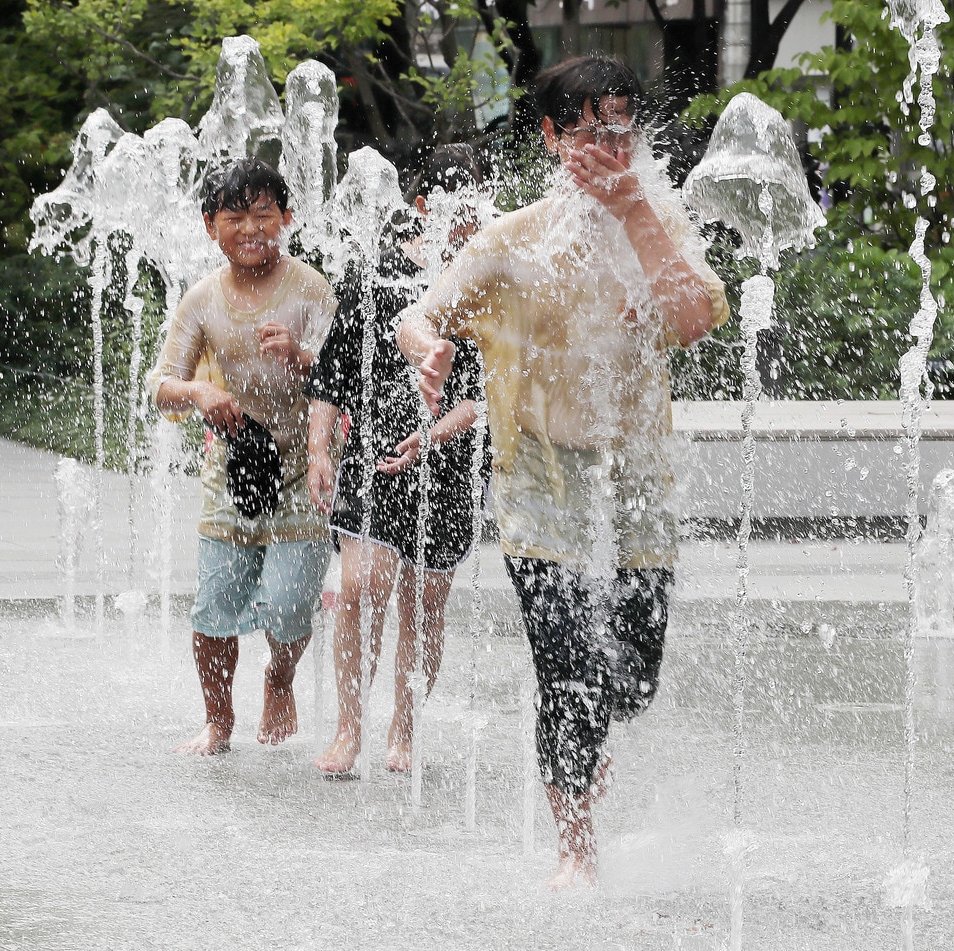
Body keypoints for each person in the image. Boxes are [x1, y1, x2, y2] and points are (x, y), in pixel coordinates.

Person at [396, 56, 729, 889]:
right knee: (569, 665)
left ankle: (584, 743)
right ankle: (574, 844)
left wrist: (634, 212)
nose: (609, 149)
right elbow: (420, 312)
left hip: (637, 484)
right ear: (550, 137)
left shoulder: (665, 223)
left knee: (633, 680)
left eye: (622, 131)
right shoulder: (512, 243)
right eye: (589, 131)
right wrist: (428, 350)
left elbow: (692, 319)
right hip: (538, 483)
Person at [305, 145, 487, 775]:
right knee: (357, 587)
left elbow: (483, 400)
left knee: (424, 600)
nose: (465, 222)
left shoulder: (487, 288)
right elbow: (330, 377)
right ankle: (348, 728)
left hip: (449, 464)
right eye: (452, 208)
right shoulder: (375, 278)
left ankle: (403, 730)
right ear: (421, 207)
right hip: (373, 458)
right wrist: (318, 448)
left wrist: (432, 436)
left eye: (474, 208)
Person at [150, 158, 337, 755]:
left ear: (287, 217)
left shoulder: (310, 288)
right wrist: (201, 391)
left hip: (303, 464)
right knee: (214, 608)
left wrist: (303, 356)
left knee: (289, 604)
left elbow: (346, 377)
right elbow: (160, 388)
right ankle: (217, 721)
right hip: (231, 468)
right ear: (211, 226)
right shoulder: (202, 300)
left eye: (264, 214)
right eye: (236, 217)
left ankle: (279, 678)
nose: (251, 228)